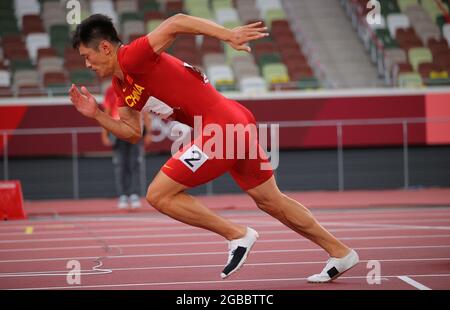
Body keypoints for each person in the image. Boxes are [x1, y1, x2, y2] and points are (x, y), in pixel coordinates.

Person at [69, 14, 359, 282]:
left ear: (105, 48)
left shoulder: (132, 56)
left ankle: (237, 234)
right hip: (233, 122)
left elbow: (176, 22)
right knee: (271, 201)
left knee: (157, 194)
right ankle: (340, 252)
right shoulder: (121, 87)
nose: (87, 65)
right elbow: (132, 133)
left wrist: (227, 35)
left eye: (87, 56)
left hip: (221, 127)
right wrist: (97, 115)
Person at [101, 84, 152, 209]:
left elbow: (144, 112)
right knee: (121, 164)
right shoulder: (110, 89)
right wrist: (104, 133)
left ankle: (134, 194)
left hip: (134, 129)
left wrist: (149, 133)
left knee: (134, 163)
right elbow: (107, 112)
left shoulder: (137, 86)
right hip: (117, 129)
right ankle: (123, 195)